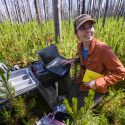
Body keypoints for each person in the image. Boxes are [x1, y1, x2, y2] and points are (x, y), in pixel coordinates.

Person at [61, 14, 125, 109]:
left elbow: (121, 73)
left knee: (78, 109)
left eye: (90, 27)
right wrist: (74, 60)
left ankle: (99, 98)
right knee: (69, 98)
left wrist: (97, 83)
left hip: (97, 88)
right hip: (83, 80)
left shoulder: (104, 50)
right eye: (82, 28)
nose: (88, 31)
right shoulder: (80, 46)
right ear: (76, 34)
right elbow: (85, 58)